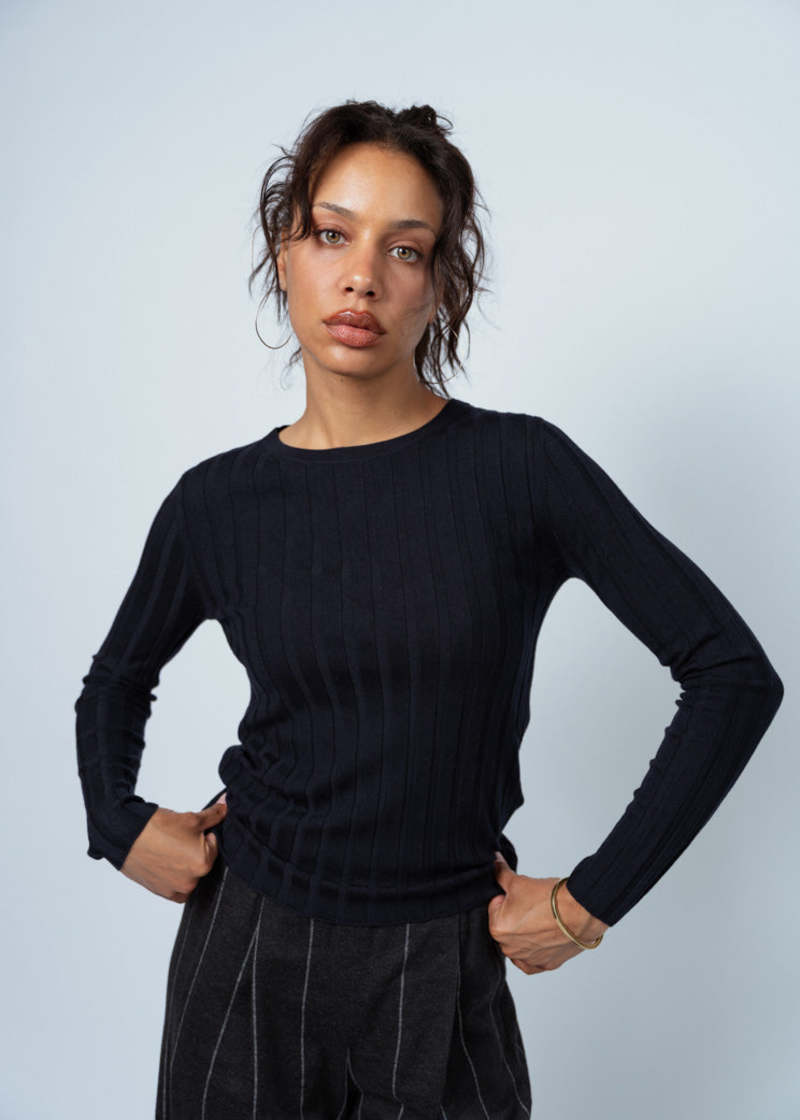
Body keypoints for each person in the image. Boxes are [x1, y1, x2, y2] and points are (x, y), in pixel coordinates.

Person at [74, 100, 784, 1119]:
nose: (362, 275)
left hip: (441, 960)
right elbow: (115, 680)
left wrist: (590, 901)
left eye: (403, 249)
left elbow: (730, 674)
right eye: (332, 234)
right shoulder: (216, 503)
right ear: (284, 253)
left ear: (441, 282)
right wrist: (116, 820)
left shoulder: (520, 469)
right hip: (246, 950)